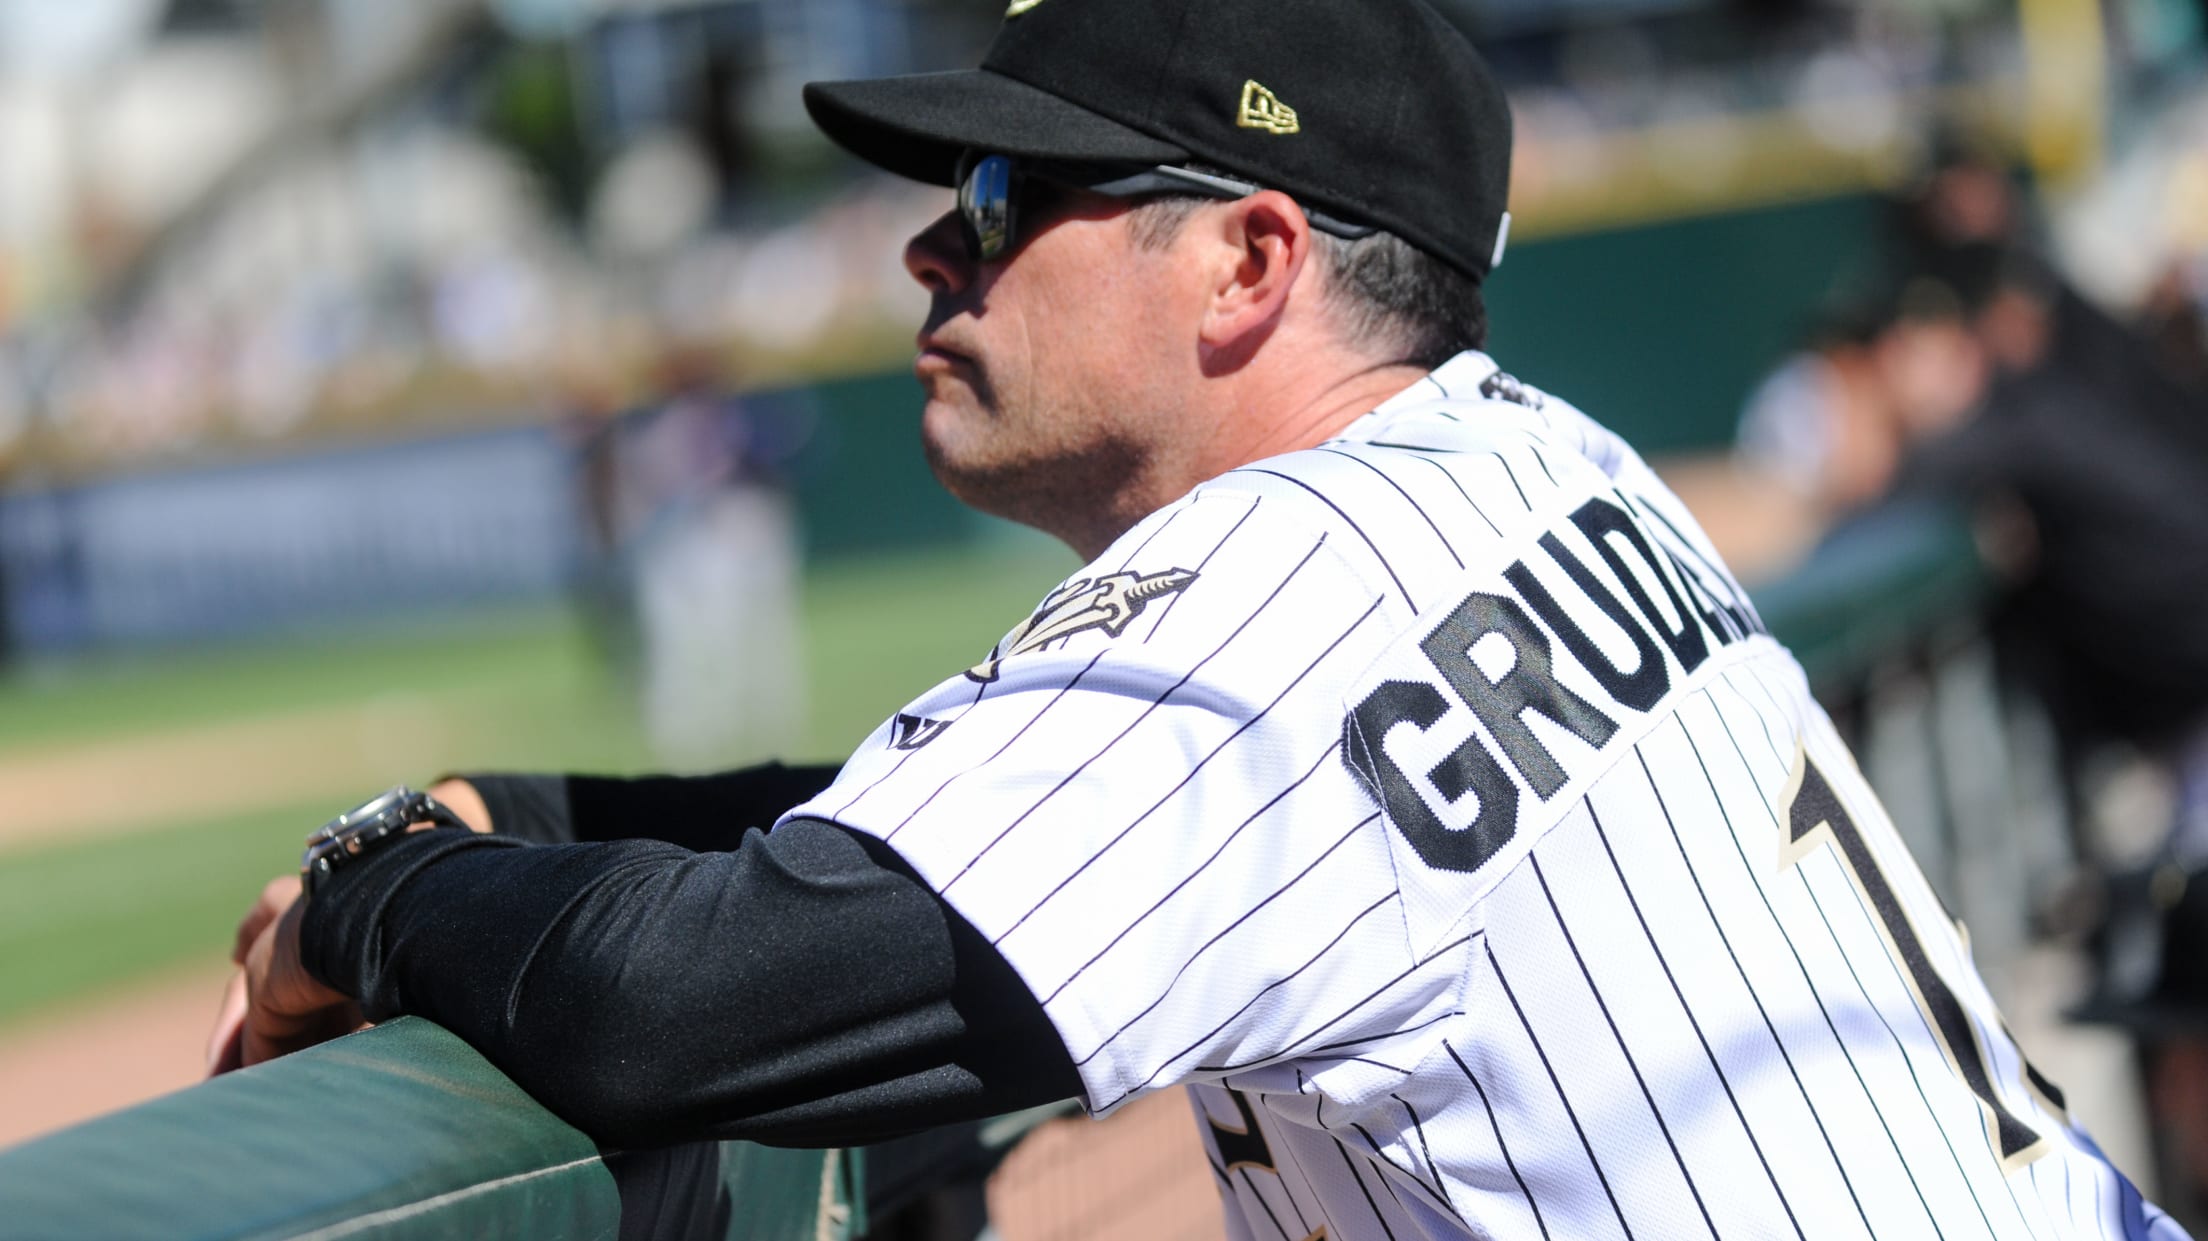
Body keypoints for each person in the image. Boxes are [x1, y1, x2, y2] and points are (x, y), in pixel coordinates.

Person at [212, 1, 2191, 1237]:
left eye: (1005, 188)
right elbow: (1019, 825)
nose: (930, 246)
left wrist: (366, 896)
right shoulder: (1529, 461)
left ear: (1248, 261)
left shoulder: (1293, 591)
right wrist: (543, 815)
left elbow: (676, 1005)